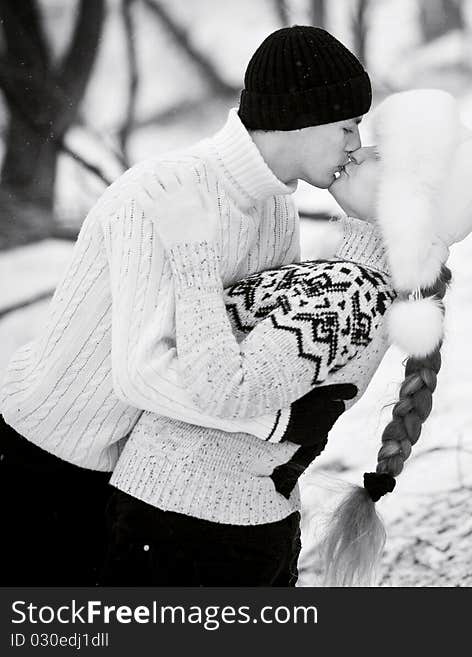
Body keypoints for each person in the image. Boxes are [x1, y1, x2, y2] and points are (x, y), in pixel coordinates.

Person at [0, 25, 371, 586]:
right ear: (301, 116)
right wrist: (278, 421)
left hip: (133, 469)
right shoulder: (163, 193)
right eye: (347, 125)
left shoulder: (274, 209)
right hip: (43, 462)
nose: (355, 144)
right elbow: (141, 375)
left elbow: (238, 352)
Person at [100, 89, 472, 586]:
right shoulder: (348, 280)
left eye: (382, 156)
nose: (359, 151)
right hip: (195, 521)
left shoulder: (349, 292)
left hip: (194, 531)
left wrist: (192, 250)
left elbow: (228, 389)